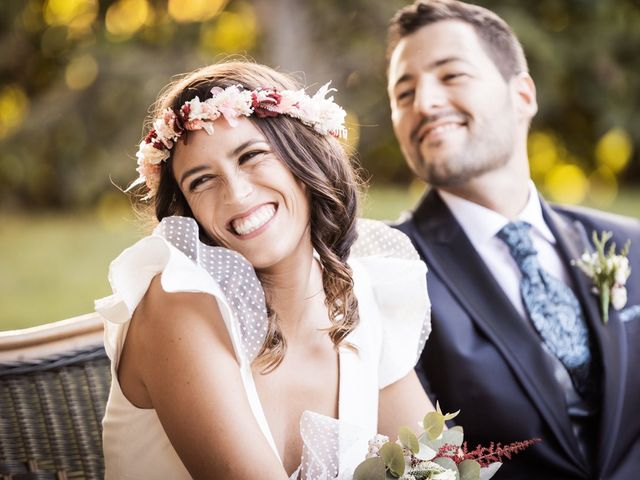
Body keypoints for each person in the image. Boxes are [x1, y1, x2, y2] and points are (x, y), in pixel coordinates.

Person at [95, 61, 433, 479]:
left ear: (304, 157)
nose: (237, 195)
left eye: (252, 155)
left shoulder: (361, 291)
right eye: (202, 181)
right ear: (187, 211)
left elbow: (434, 466)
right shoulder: (179, 305)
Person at [386, 1, 640, 479]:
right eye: (404, 93)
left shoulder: (631, 244)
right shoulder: (385, 272)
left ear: (523, 94)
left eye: (451, 75)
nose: (424, 103)